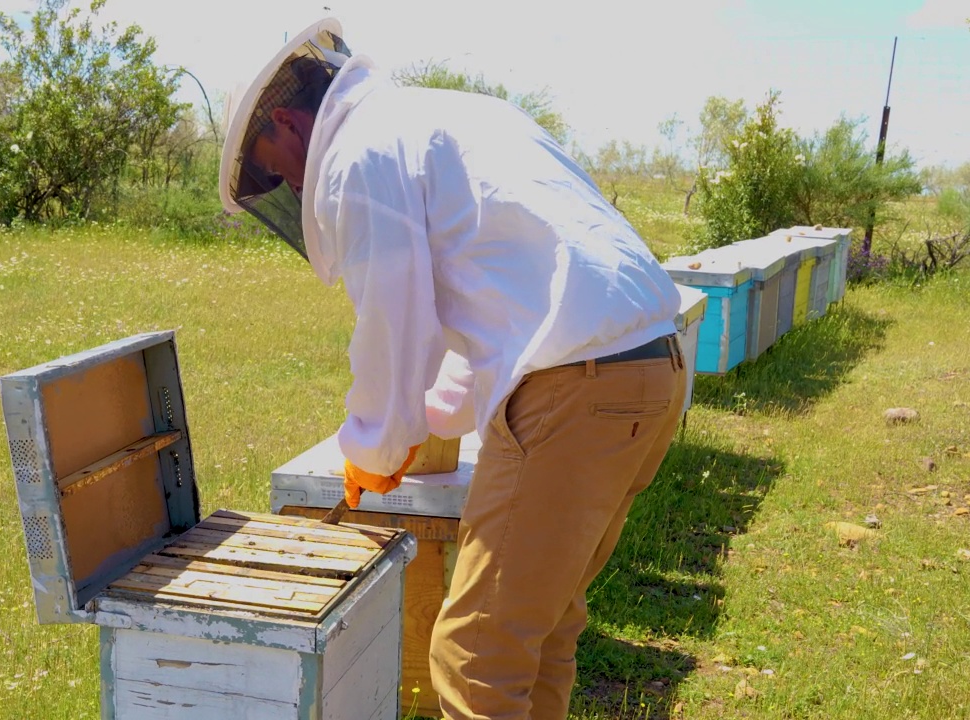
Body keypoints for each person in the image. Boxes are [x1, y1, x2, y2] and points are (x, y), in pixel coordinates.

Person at [220, 19, 687, 720]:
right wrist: (415, 426)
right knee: (542, 629)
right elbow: (497, 308)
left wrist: (373, 444)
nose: (281, 181)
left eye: (268, 166)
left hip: (576, 384)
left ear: (288, 120)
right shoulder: (449, 115)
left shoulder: (360, 156)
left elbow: (394, 324)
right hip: (649, 367)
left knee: (474, 656)